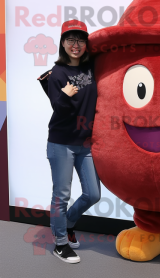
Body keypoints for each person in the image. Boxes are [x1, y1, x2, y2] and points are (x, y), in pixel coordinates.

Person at [38, 20, 100, 264]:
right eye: (71, 40)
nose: (76, 45)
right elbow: (58, 109)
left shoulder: (91, 68)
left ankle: (69, 223)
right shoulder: (57, 73)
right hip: (61, 142)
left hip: (85, 143)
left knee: (93, 194)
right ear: (63, 43)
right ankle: (60, 244)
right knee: (61, 195)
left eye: (81, 40)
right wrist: (64, 95)